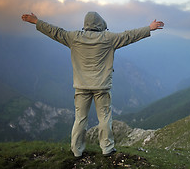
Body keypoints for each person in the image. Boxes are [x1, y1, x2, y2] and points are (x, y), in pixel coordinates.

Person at [21, 11, 164, 157]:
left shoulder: (74, 37)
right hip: (102, 87)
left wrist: (36, 22)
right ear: (100, 24)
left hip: (81, 86)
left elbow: (55, 32)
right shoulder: (109, 38)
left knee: (80, 118)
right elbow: (129, 35)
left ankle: (76, 150)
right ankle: (107, 148)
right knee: (104, 117)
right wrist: (149, 28)